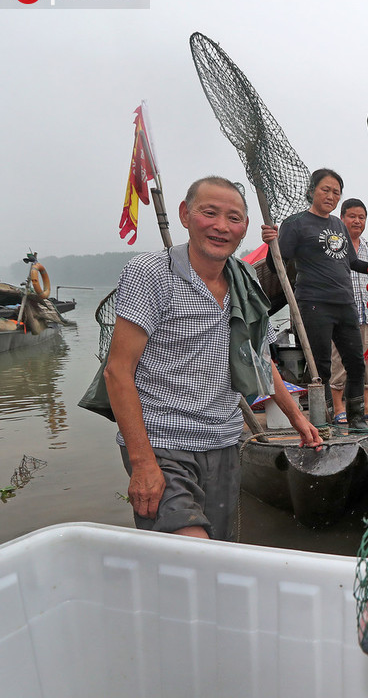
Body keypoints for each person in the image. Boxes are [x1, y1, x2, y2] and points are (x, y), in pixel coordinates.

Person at [105, 177, 322, 541]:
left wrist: (298, 419)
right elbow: (117, 372)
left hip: (223, 442)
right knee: (189, 552)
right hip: (162, 443)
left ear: (244, 229)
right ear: (185, 215)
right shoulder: (151, 273)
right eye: (210, 213)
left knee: (220, 553)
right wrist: (142, 463)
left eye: (233, 218)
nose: (221, 226)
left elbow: (259, 360)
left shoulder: (245, 279)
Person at [262, 169, 368, 432]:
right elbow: (277, 263)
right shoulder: (296, 223)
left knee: (356, 362)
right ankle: (322, 421)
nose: (331, 196)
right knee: (319, 365)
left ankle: (357, 419)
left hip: (345, 303)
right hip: (313, 303)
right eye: (326, 189)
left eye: (336, 191)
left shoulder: (338, 224)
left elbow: (352, 262)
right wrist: (271, 244)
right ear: (312, 190)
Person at [329, 198, 368, 423]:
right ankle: (338, 408)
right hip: (342, 313)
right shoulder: (334, 245)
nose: (357, 221)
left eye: (361, 217)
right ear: (342, 218)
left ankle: (366, 405)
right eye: (352, 216)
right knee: (340, 360)